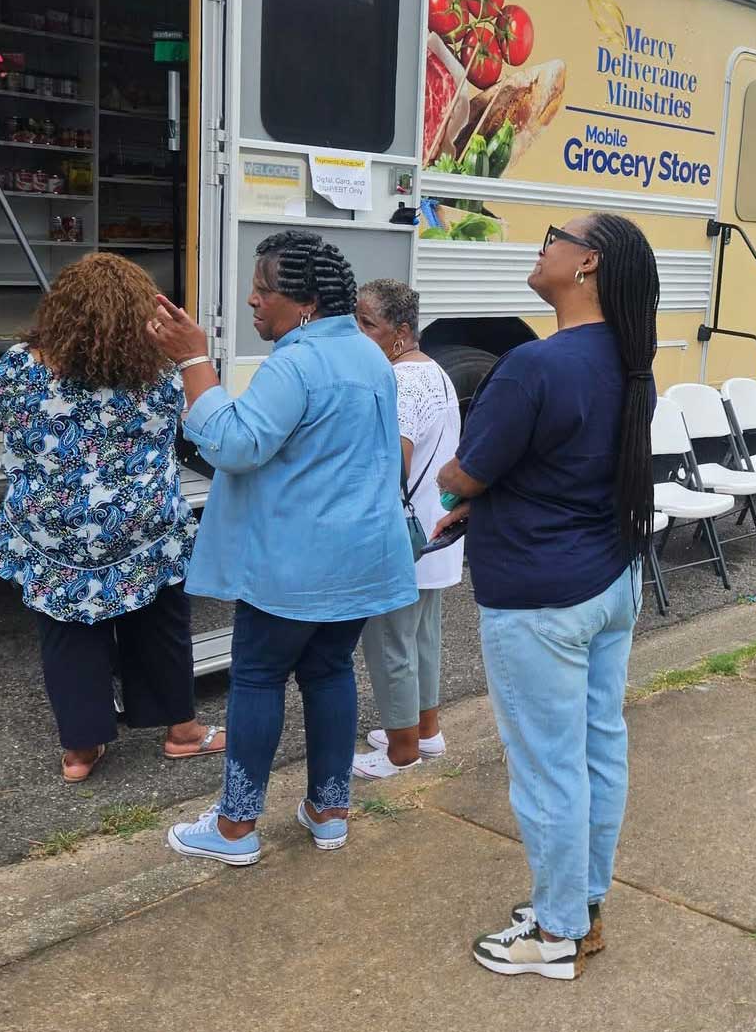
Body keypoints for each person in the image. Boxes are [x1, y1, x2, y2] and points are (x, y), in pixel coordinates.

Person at [433, 215, 659, 981]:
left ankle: (556, 932)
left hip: (540, 598)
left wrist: (461, 487)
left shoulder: (533, 365)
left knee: (547, 769)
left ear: (586, 263)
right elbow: (574, 465)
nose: (543, 244)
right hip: (610, 579)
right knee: (597, 749)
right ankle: (582, 906)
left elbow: (465, 471)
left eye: (556, 236)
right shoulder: (630, 361)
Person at [152, 231, 417, 866]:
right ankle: (329, 811)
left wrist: (193, 361)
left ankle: (235, 827)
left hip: (295, 564)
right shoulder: (368, 355)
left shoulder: (294, 364)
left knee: (258, 678)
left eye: (263, 290)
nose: (252, 300)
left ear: (306, 303)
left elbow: (234, 445)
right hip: (360, 557)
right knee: (329, 673)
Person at [0, 253, 221, 783]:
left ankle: (80, 752)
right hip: (143, 528)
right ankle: (181, 732)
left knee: (66, 633)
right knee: (159, 623)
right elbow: (199, 419)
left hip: (53, 532)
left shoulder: (18, 368)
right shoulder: (160, 375)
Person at [351, 279, 462, 778]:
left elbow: (394, 460)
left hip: (400, 537)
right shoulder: (434, 372)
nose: (357, 332)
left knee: (390, 644)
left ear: (399, 332)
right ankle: (425, 730)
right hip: (432, 531)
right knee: (421, 638)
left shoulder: (400, 381)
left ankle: (401, 750)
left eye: (366, 323)